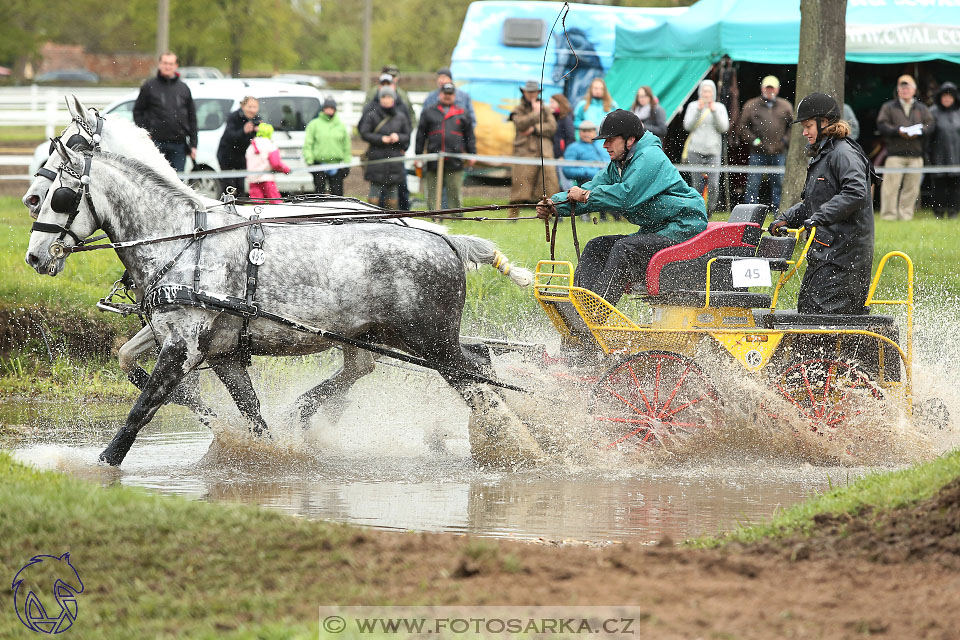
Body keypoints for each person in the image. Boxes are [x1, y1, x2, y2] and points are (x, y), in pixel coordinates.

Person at [536, 109, 707, 307]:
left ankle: (594, 313)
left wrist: (586, 196)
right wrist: (554, 205)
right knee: (596, 246)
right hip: (657, 230)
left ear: (630, 140)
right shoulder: (619, 163)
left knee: (624, 249)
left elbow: (626, 196)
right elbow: (590, 188)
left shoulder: (649, 158)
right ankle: (580, 308)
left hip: (683, 227)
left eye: (610, 139)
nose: (604, 145)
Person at [769, 93, 874, 315]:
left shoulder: (843, 153)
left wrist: (818, 217)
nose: (804, 132)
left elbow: (856, 192)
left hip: (846, 258)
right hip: (826, 254)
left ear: (824, 122)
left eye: (808, 126)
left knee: (820, 316)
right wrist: (786, 217)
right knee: (807, 310)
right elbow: (814, 203)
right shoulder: (824, 155)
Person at [876, 74, 935, 221]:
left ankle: (906, 215)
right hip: (895, 154)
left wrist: (921, 131)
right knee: (890, 188)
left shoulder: (921, 108)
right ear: (898, 90)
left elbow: (931, 124)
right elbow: (882, 125)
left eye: (907, 87)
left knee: (912, 188)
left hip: (916, 154)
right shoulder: (888, 107)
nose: (905, 90)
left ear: (914, 90)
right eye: (902, 88)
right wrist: (898, 131)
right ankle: (888, 216)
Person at [133, 51, 198, 173]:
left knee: (177, 184)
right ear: (159, 64)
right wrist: (145, 132)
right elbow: (138, 111)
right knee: (157, 182)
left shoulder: (183, 88)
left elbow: (192, 117)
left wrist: (194, 144)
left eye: (171, 63)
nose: (167, 66)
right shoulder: (149, 86)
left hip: (179, 145)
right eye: (165, 63)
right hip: (155, 144)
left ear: (176, 66)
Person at [415, 82, 476, 209]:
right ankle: (434, 216)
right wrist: (418, 155)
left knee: (454, 191)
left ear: (454, 96)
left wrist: (472, 154)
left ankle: (456, 217)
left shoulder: (462, 113)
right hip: (433, 160)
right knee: (432, 192)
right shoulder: (428, 112)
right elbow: (421, 135)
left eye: (450, 94)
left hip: (455, 160)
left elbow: (469, 136)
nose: (447, 96)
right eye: (445, 94)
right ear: (440, 94)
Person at [738, 75, 793, 209]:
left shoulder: (785, 106)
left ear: (777, 90)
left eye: (772, 89)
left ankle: (779, 213)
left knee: (779, 185)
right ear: (762, 89)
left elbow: (793, 126)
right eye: (767, 88)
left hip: (779, 152)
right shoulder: (751, 105)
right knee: (752, 184)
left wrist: (785, 141)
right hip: (757, 152)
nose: (769, 91)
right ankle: (750, 214)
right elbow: (742, 127)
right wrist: (754, 141)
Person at [508, 80, 558, 218]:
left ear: (538, 93)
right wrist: (535, 113)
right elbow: (520, 124)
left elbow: (552, 127)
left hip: (544, 152)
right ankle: (513, 216)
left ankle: (550, 216)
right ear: (524, 92)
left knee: (548, 185)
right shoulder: (519, 109)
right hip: (524, 153)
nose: (531, 94)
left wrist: (535, 128)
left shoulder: (545, 108)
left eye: (534, 91)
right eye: (529, 91)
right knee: (520, 185)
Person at [682, 79, 730, 216]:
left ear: (713, 92)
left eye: (709, 91)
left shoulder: (719, 107)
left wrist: (714, 112)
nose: (706, 93)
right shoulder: (693, 106)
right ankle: (697, 209)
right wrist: (698, 110)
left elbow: (724, 128)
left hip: (713, 151)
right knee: (697, 184)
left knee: (714, 184)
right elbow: (687, 126)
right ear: (700, 92)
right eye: (704, 90)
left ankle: (710, 209)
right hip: (695, 150)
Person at [358, 86, 410, 209]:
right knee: (374, 194)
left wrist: (398, 137)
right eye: (383, 97)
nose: (386, 100)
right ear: (380, 99)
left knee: (393, 195)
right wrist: (381, 139)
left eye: (389, 97)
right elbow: (364, 133)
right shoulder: (372, 115)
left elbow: (407, 135)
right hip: (377, 159)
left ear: (393, 99)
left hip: (394, 160)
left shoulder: (401, 117)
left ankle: (391, 220)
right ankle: (372, 218)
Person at [303, 97, 351, 197]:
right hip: (319, 164)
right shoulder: (314, 124)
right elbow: (308, 144)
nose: (329, 110)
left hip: (336, 165)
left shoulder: (340, 126)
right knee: (319, 194)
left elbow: (346, 146)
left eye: (331, 108)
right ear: (323, 109)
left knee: (337, 195)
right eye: (327, 108)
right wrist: (309, 160)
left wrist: (347, 164)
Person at [216, 96, 260, 197]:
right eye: (250, 107)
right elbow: (229, 135)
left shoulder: (257, 119)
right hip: (227, 155)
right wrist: (243, 131)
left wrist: (260, 130)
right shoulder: (234, 117)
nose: (252, 110)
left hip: (242, 156)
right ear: (243, 106)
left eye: (255, 107)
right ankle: (225, 206)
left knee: (241, 185)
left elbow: (263, 135)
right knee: (229, 185)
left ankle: (241, 207)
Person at [928, 82, 960, 219]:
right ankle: (938, 212)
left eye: (950, 97)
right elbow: (928, 135)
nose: (947, 99)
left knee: (955, 186)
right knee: (939, 186)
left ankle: (953, 211)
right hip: (938, 155)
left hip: (957, 155)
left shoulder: (959, 112)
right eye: (944, 97)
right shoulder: (932, 112)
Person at [245, 123, 291, 201]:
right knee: (275, 201)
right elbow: (276, 163)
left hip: (253, 179)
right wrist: (286, 169)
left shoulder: (251, 146)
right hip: (266, 179)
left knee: (257, 205)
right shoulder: (270, 145)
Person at [562, 120, 606, 186]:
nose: (586, 134)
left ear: (595, 132)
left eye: (589, 131)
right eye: (584, 131)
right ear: (579, 133)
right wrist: (587, 172)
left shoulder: (603, 145)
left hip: (607, 180)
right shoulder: (573, 148)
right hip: (587, 183)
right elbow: (567, 170)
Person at [573, 77, 618, 142]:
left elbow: (617, 123)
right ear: (591, 89)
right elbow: (575, 122)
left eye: (601, 89)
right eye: (596, 88)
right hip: (588, 141)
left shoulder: (612, 105)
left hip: (607, 142)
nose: (598, 91)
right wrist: (586, 125)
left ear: (604, 90)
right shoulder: (582, 105)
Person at [550, 93, 576, 189]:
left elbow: (571, 137)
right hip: (556, 155)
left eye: (552, 102)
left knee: (566, 183)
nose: (550, 105)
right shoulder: (555, 118)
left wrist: (564, 154)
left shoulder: (566, 118)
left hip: (563, 156)